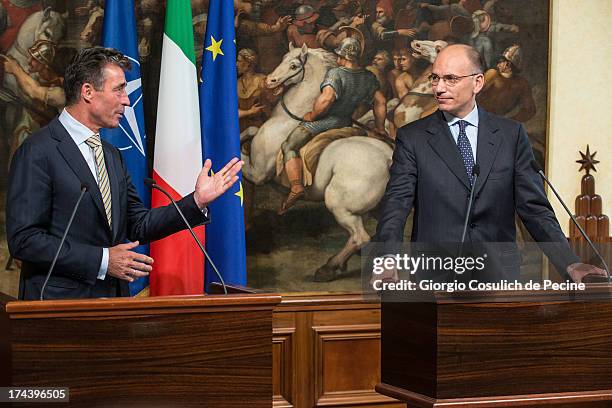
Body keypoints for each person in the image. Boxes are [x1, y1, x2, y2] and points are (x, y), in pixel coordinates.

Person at [6, 47, 243, 300]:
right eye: (118, 89)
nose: (127, 100)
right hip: (57, 309)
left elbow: (138, 224)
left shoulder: (111, 155)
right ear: (88, 92)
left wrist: (196, 201)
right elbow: (24, 239)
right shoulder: (38, 150)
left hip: (113, 306)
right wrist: (104, 260)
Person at [374, 44, 605, 284]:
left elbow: (534, 208)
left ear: (478, 83)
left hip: (499, 278)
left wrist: (569, 261)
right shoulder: (413, 137)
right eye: (435, 78)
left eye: (451, 79)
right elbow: (396, 204)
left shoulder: (511, 135)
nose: (439, 88)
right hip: (436, 276)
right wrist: (386, 261)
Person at [278, 37, 386, 214]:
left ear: (343, 55)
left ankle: (296, 187)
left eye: (339, 55)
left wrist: (312, 115)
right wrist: (380, 128)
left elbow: (326, 99)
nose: (337, 58)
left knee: (289, 145)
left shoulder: (336, 74)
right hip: (346, 122)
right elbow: (380, 102)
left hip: (325, 123)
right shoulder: (368, 77)